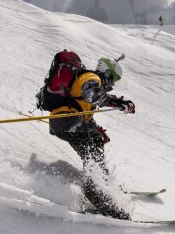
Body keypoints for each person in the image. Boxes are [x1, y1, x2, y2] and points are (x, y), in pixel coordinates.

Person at [49, 55, 136, 220]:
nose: (112, 84)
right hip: (67, 121)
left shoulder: (91, 80)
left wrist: (95, 129)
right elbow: (91, 95)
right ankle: (96, 196)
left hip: (69, 122)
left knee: (95, 142)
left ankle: (102, 180)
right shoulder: (92, 77)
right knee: (91, 157)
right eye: (113, 79)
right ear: (107, 73)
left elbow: (84, 109)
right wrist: (118, 104)